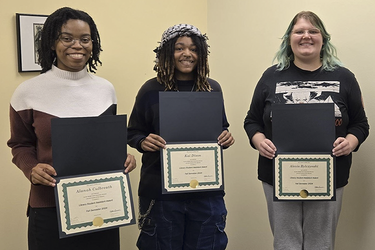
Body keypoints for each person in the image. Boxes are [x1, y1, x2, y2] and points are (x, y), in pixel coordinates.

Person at [7, 7, 136, 250]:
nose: (77, 45)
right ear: (52, 43)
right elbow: (19, 144)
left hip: (102, 205)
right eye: (67, 38)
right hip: (49, 207)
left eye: (85, 39)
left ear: (93, 44)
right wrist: (32, 168)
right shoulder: (28, 92)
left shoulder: (105, 89)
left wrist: (124, 158)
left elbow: (105, 144)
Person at [244, 11, 369, 250]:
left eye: (313, 31)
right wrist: (259, 141)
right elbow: (252, 121)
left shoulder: (345, 77)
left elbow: (360, 124)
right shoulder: (270, 77)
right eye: (299, 31)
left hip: (328, 176)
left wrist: (350, 142)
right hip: (278, 176)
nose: (306, 36)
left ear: (323, 39)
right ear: (289, 39)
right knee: (285, 244)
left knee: (321, 244)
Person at [127, 24, 234, 250]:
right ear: (166, 52)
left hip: (205, 193)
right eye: (179, 48)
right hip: (161, 197)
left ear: (201, 54)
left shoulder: (212, 89)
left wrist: (225, 137)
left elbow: (221, 128)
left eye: (194, 49)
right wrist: (143, 141)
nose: (187, 54)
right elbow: (133, 132)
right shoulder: (150, 90)